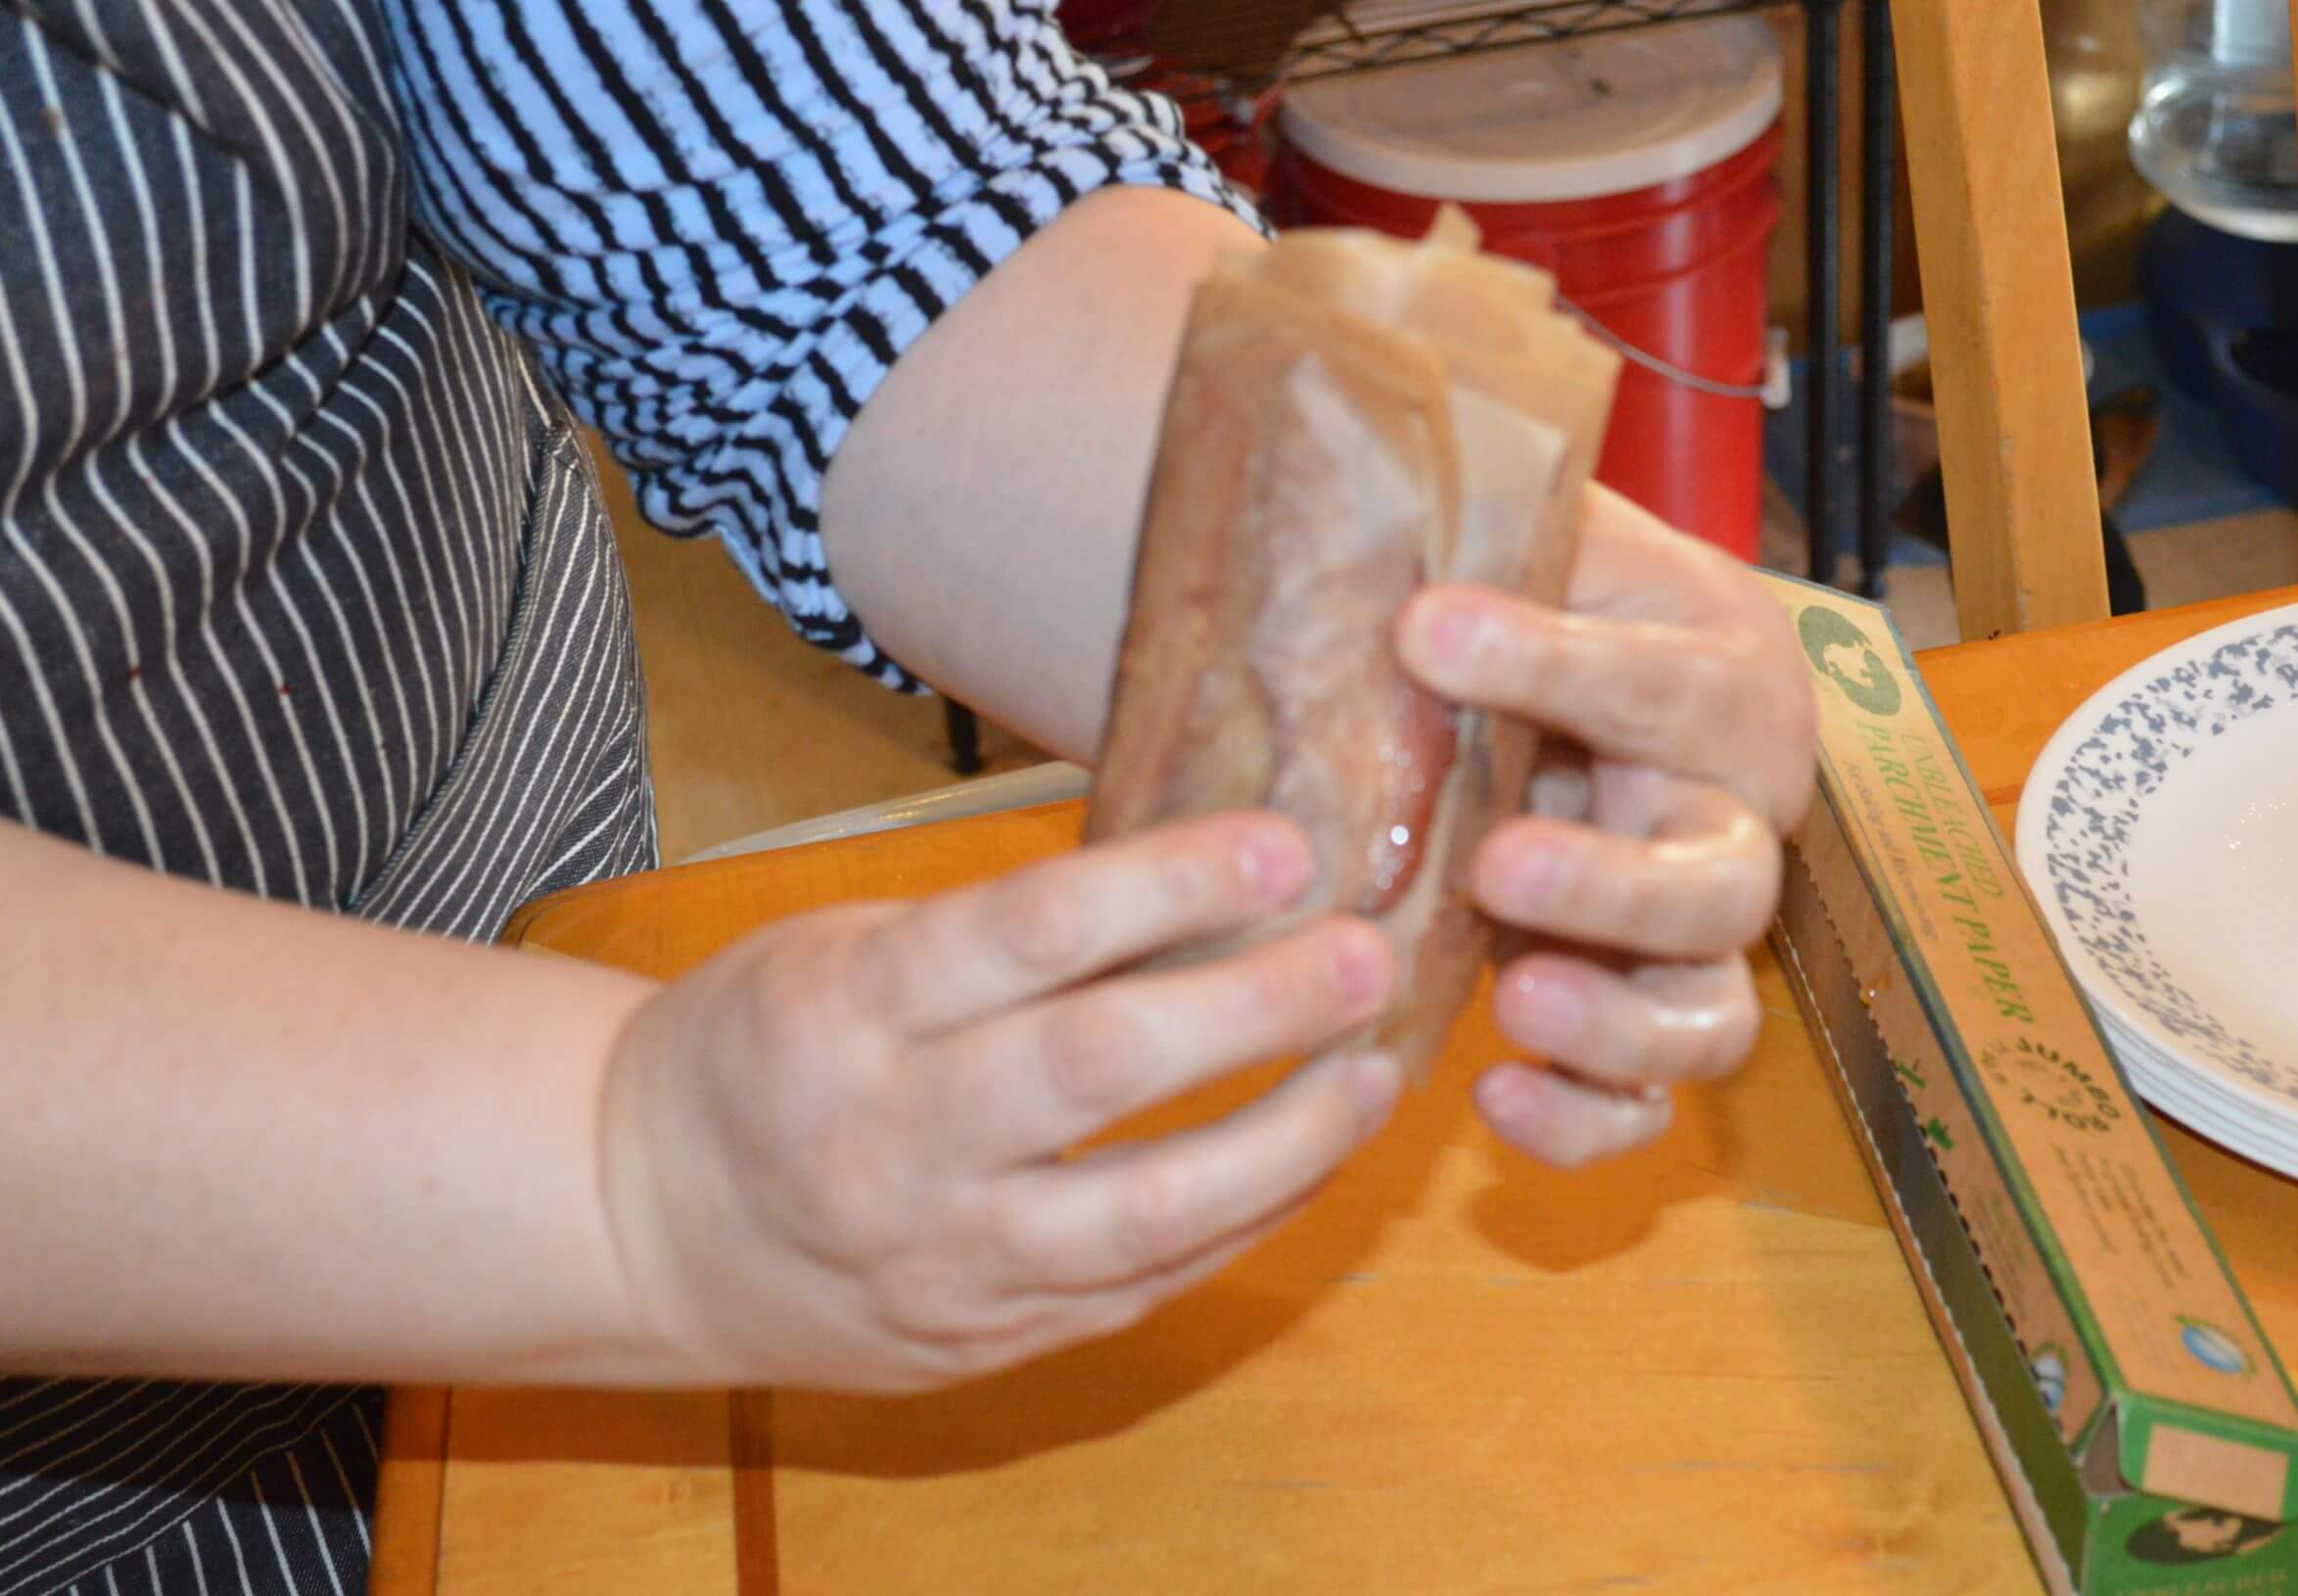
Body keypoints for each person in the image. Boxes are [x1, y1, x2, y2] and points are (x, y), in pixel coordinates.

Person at [0, 2, 1816, 1592]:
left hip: (550, 1099)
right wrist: (625, 1174)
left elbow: (831, 183)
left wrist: (1462, 610)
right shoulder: (641, 1171)